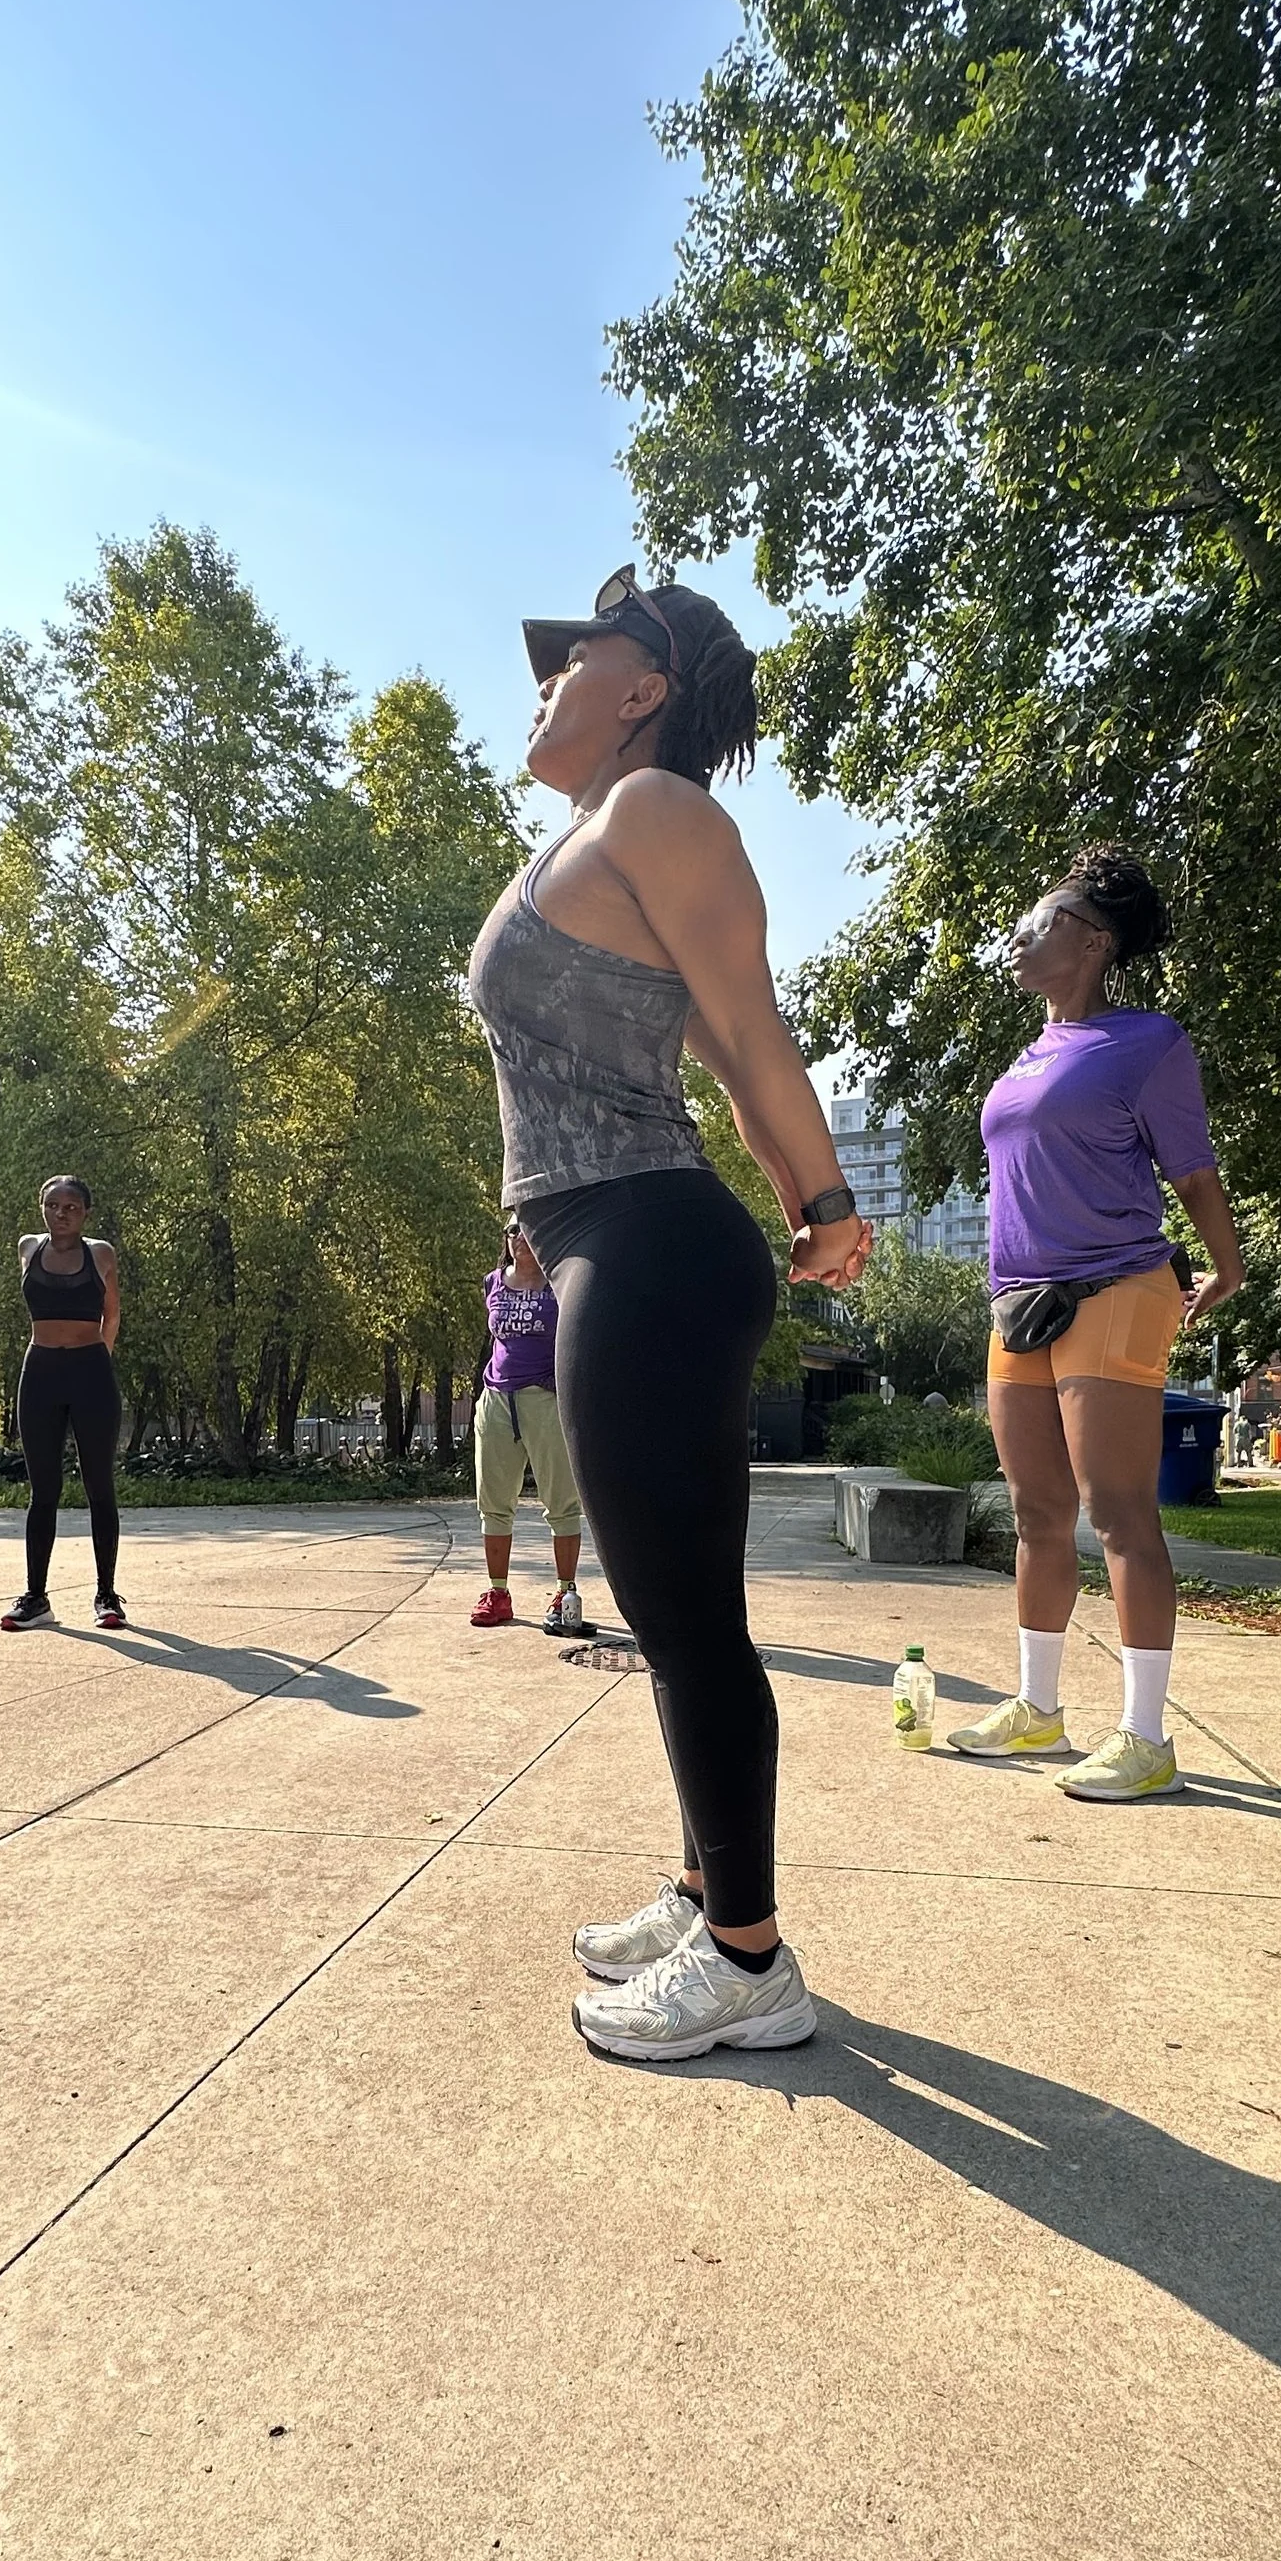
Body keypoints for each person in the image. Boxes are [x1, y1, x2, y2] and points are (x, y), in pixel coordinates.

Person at [468, 565, 871, 2063]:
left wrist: (822, 1204)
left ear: (644, 687)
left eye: (574, 658)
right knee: (665, 1613)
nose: (546, 679)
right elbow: (701, 1048)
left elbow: (753, 1034)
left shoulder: (660, 816)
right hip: (606, 1242)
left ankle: (752, 1963)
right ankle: (710, 1891)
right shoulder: (588, 843)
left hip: (650, 1242)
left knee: (689, 1619)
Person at [945, 849, 1241, 1797]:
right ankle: (1038, 1711)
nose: (1023, 933)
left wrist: (1226, 1264)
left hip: (1116, 1285)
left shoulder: (1147, 1042)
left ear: (1095, 941)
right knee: (1036, 1513)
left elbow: (1192, 1170)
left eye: (1045, 918)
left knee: (1118, 1511)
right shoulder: (1029, 1055)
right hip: (1018, 1298)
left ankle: (1146, 1737)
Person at [3, 1174, 125, 1632]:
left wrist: (97, 1360)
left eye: (71, 1206)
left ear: (86, 1212)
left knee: (99, 1488)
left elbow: (111, 1313)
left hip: (90, 1372)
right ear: (42, 1208)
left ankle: (107, 1596)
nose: (62, 1213)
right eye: (53, 1205)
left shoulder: (101, 1254)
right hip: (40, 1374)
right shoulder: (28, 1248)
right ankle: (36, 1598)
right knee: (44, 1492)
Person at [466, 1219, 584, 1631]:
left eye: (528, 1229)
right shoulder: (493, 1283)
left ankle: (564, 1593)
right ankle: (497, 1593)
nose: (520, 1237)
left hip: (545, 1400)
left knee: (561, 1501)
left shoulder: (561, 1283)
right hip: (497, 1400)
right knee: (494, 1502)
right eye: (512, 1230)